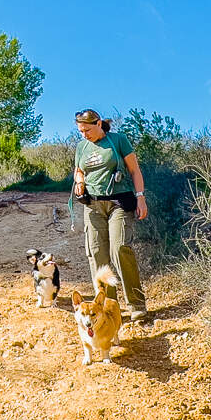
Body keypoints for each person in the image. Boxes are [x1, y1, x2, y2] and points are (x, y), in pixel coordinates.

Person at [70, 108, 149, 322]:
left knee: (120, 248)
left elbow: (134, 170)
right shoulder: (81, 147)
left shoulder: (118, 140)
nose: (84, 134)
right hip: (93, 205)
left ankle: (136, 304)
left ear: (98, 124)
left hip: (119, 202)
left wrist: (140, 197)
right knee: (97, 254)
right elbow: (79, 169)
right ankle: (107, 307)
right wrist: (80, 182)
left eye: (87, 129)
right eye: (80, 131)